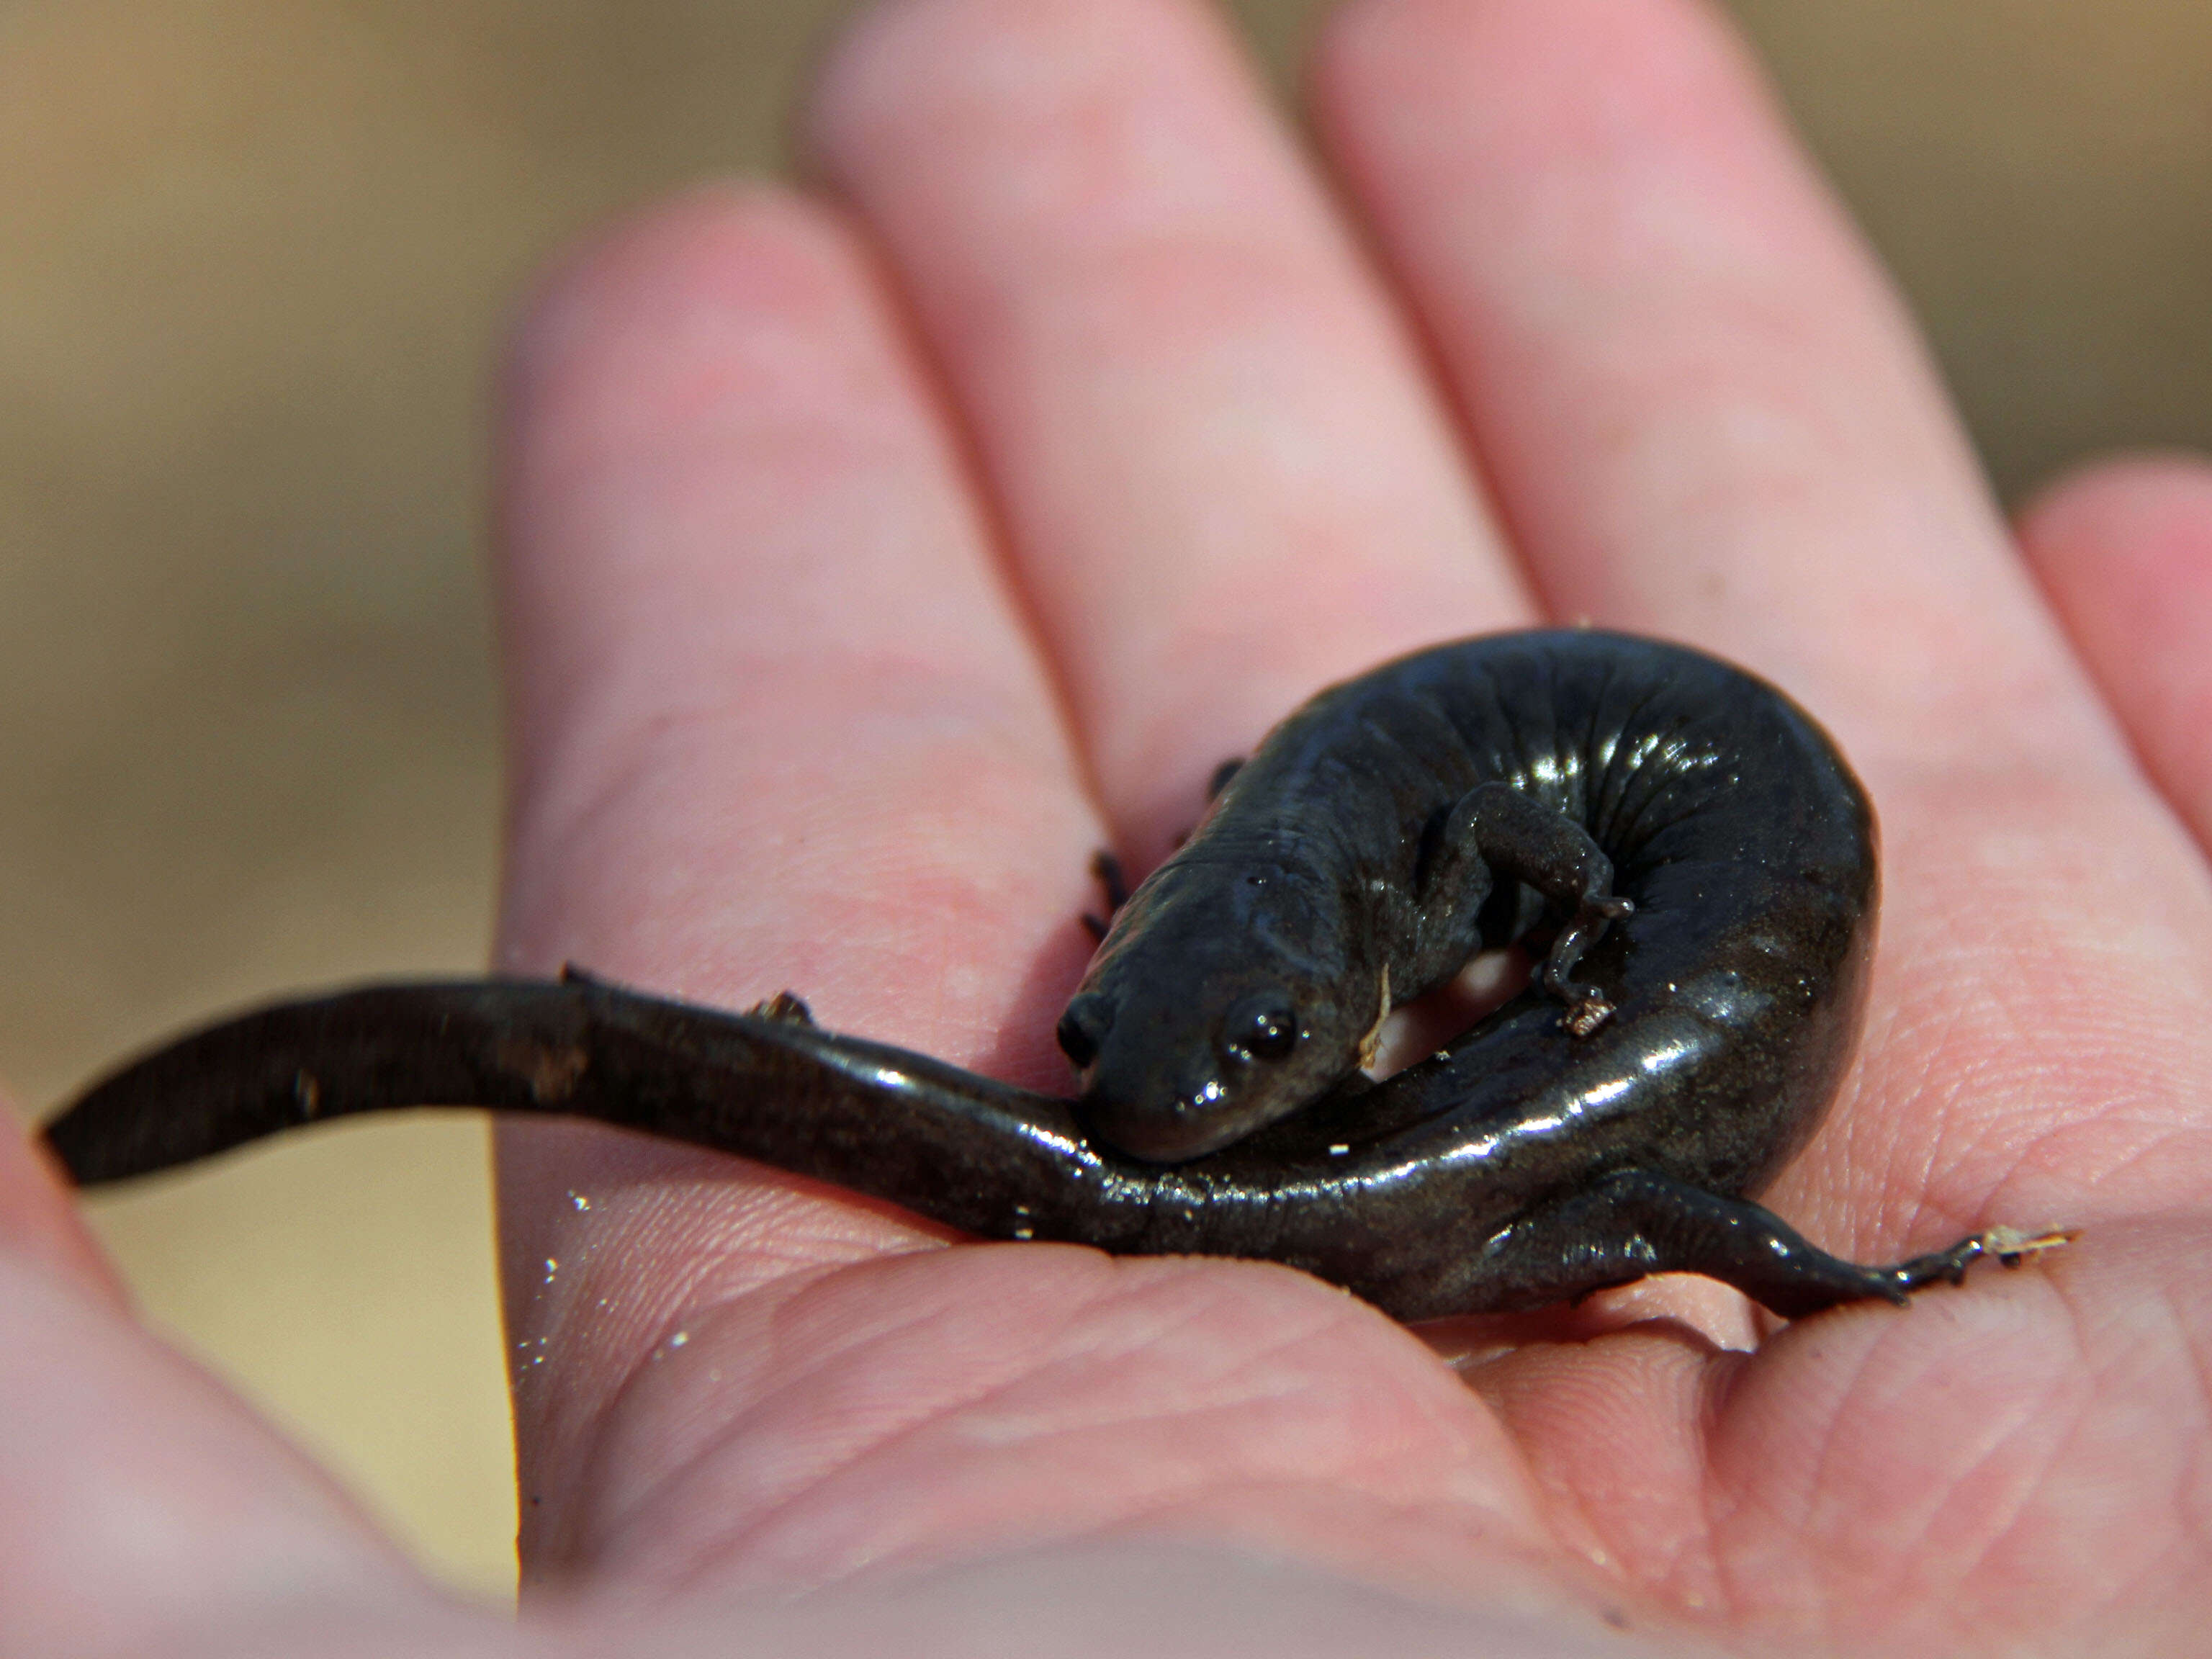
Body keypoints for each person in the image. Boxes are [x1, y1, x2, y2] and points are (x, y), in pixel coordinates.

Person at [8, 0, 2210, 1650]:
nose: (1164, 1117)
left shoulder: (1405, 863)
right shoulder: (1298, 860)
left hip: (1641, 991)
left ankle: (1838, 1285)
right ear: (1140, 928)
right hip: (1552, 1086)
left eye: (1240, 1070)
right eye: (1106, 1055)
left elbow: (1541, 942)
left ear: (1350, 964)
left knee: (1637, 1188)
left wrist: (1812, 1260)